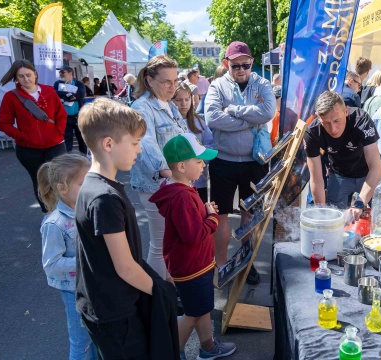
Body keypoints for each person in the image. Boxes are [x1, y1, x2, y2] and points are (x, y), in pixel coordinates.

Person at [76, 98, 179, 359]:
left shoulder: (93, 186)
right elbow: (126, 267)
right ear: (108, 144)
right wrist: (163, 292)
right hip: (114, 311)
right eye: (134, 143)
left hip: (106, 306)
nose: (140, 150)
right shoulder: (104, 198)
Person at [149, 134, 237, 360]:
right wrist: (213, 218)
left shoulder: (182, 189)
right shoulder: (182, 196)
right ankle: (171, 352)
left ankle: (207, 347)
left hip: (195, 264)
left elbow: (189, 225)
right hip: (192, 267)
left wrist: (205, 212)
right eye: (198, 162)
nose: (204, 165)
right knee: (193, 313)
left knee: (202, 308)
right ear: (181, 166)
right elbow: (193, 235)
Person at [205, 40, 275, 284]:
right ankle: (221, 266)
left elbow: (268, 112)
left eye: (245, 65)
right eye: (236, 66)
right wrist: (249, 119)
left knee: (249, 215)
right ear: (227, 64)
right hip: (223, 161)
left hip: (254, 162)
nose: (241, 70)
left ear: (252, 63)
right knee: (221, 216)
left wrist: (233, 110)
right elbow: (212, 117)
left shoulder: (262, 83)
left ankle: (247, 263)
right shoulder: (216, 86)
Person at [37, 153, 98, 360]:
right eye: (82, 183)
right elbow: (51, 264)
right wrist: (87, 260)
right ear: (62, 188)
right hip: (74, 292)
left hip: (93, 286)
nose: (89, 187)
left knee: (98, 336)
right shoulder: (55, 224)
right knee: (81, 342)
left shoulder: (88, 209)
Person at [130, 55, 185, 280]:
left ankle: (168, 289)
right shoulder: (142, 107)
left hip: (173, 183)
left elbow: (183, 135)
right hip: (156, 185)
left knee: (171, 242)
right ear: (150, 80)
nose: (172, 87)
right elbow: (146, 143)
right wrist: (167, 172)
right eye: (166, 82)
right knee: (160, 243)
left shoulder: (169, 105)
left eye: (175, 81)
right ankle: (157, 296)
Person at [0, 60, 67, 213]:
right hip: (28, 149)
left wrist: (58, 131)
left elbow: (61, 115)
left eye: (28, 75)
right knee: (40, 182)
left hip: (55, 144)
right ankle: (48, 212)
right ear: (16, 78)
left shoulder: (49, 91)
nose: (26, 79)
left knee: (60, 179)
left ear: (35, 74)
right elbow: (3, 123)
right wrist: (21, 136)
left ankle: (65, 212)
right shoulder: (11, 97)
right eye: (21, 76)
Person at [304, 91, 381, 220]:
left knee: (379, 215)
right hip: (339, 175)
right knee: (334, 217)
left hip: (367, 174)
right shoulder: (312, 132)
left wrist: (359, 203)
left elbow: (376, 168)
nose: (333, 129)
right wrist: (322, 214)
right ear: (318, 117)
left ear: (345, 111)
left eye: (337, 121)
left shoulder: (361, 120)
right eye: (326, 123)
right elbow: (316, 179)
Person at [172, 81, 214, 203]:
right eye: (178, 100)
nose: (183, 104)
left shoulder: (199, 121)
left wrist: (202, 152)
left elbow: (210, 143)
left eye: (187, 99)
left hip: (199, 181)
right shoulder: (169, 122)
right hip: (177, 180)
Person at [55, 65, 87, 155]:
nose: (60, 74)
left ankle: (84, 157)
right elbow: (55, 93)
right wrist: (69, 94)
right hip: (64, 117)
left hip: (78, 116)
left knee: (81, 138)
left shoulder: (79, 83)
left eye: (63, 72)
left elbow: (80, 95)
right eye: (60, 72)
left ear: (70, 73)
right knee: (66, 139)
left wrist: (64, 97)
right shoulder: (58, 83)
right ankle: (67, 159)